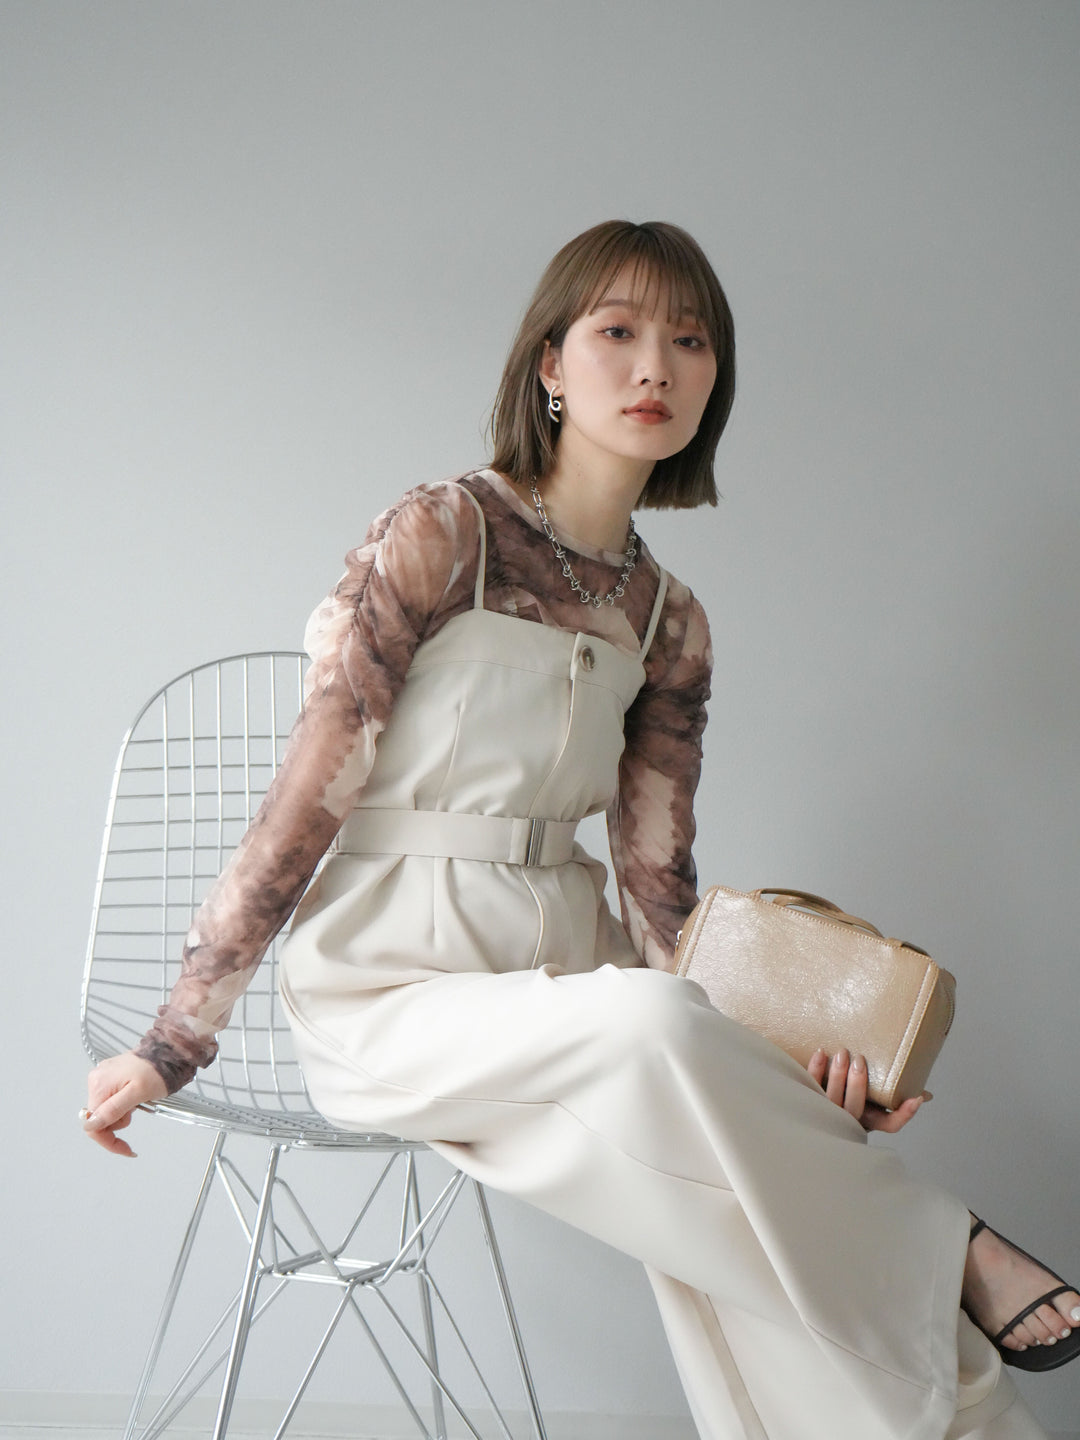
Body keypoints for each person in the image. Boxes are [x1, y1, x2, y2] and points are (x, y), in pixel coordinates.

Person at [83, 220, 1078, 1440]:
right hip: (389, 991)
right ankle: (951, 1247)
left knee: (747, 1211)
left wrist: (780, 1073)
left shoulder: (671, 619)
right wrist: (175, 1041)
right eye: (618, 332)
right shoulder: (443, 532)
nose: (656, 366)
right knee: (659, 1037)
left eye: (691, 341)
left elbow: (660, 890)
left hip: (574, 980)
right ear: (550, 363)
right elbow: (307, 799)